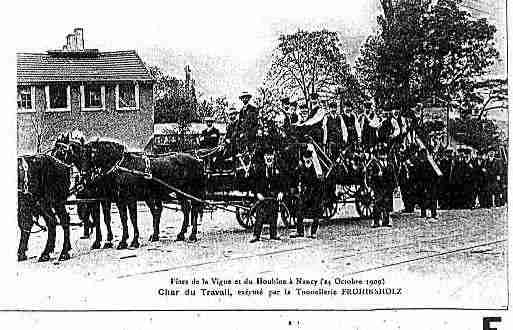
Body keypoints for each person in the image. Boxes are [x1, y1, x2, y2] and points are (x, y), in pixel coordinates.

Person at [250, 147, 286, 242]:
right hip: (263, 195)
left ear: (273, 157)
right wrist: (257, 193)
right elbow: (254, 183)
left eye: (271, 156)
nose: (269, 158)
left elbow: (283, 182)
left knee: (274, 214)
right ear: (264, 157)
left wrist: (281, 192)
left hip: (273, 196)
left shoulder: (277, 169)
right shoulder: (259, 169)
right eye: (267, 156)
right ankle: (256, 235)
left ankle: (273, 234)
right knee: (260, 215)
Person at [290, 150, 323, 238]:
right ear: (303, 158)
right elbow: (295, 179)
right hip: (305, 193)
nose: (307, 160)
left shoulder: (316, 169)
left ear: (312, 158)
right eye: (306, 158)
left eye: (309, 158)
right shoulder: (301, 168)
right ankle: (300, 231)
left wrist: (318, 195)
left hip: (314, 193)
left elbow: (320, 183)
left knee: (316, 213)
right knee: (299, 211)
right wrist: (297, 190)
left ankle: (313, 232)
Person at [369, 145, 395, 227]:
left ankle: (386, 221)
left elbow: (393, 176)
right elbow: (371, 175)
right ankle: (376, 222)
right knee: (377, 204)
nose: (383, 156)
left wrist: (394, 186)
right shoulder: (374, 164)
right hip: (378, 187)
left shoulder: (390, 164)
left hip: (387, 187)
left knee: (387, 204)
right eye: (381, 154)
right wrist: (377, 175)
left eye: (384, 154)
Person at [416, 148, 441, 218]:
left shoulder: (431, 163)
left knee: (432, 199)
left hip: (431, 183)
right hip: (423, 184)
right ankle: (423, 213)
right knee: (423, 199)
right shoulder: (420, 164)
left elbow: (436, 174)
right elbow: (418, 175)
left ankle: (433, 213)